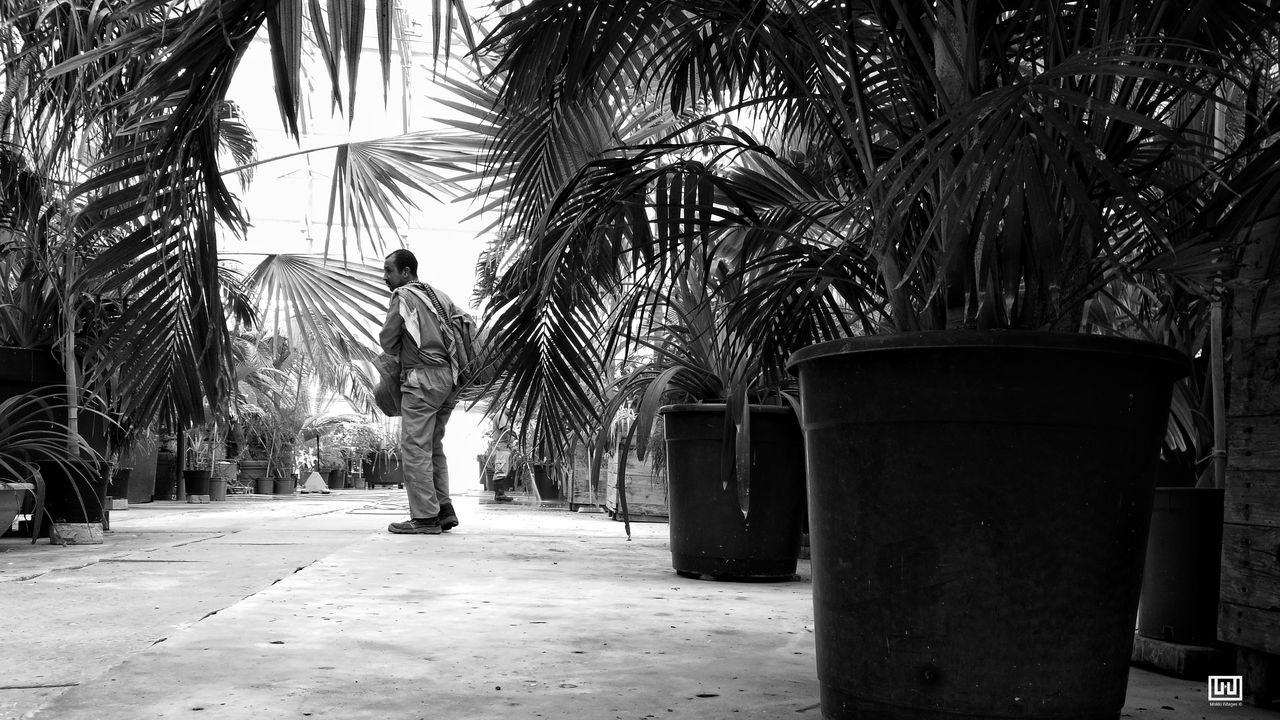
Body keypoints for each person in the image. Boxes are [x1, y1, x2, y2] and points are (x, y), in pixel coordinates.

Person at [380, 248, 461, 535]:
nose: (385, 277)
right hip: (449, 380)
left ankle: (425, 518)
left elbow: (388, 340)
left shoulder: (404, 297)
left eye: (389, 271)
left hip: (421, 380)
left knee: (415, 447)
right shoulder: (441, 296)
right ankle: (443, 510)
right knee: (433, 446)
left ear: (406, 271)